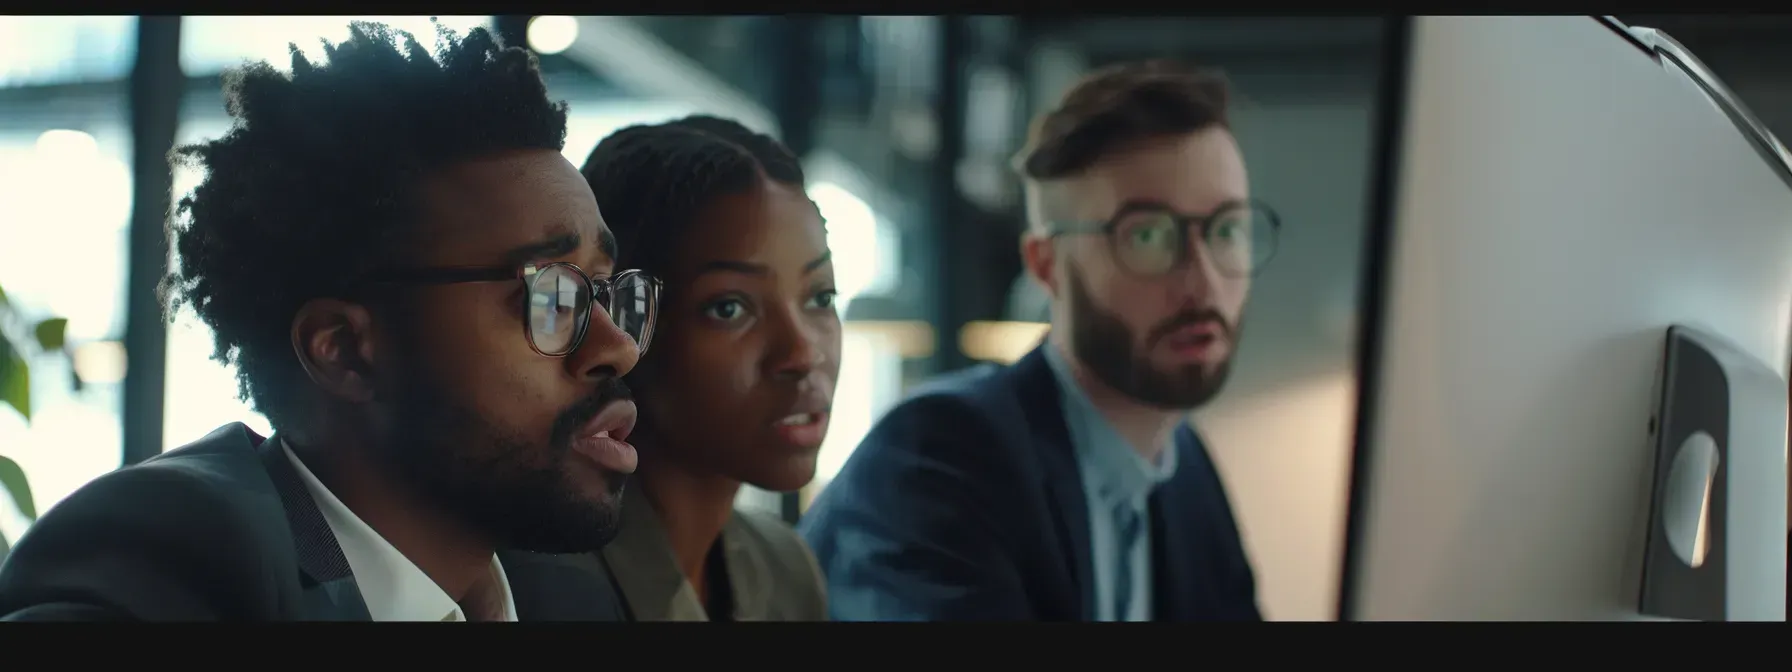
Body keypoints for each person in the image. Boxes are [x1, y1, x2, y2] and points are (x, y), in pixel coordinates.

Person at [0, 22, 656, 621]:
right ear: (344, 351)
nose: (617, 346)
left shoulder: (565, 599)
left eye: (600, 289)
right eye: (551, 294)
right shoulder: (168, 578)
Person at [800, 60, 1270, 621]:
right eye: (1147, 236)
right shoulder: (939, 459)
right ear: (1047, 266)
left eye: (1227, 230)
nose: (1203, 280)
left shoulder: (1187, 471)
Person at [575, 115, 838, 621]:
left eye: (820, 297)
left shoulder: (785, 571)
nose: (803, 355)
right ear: (624, 323)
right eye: (729, 308)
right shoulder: (540, 583)